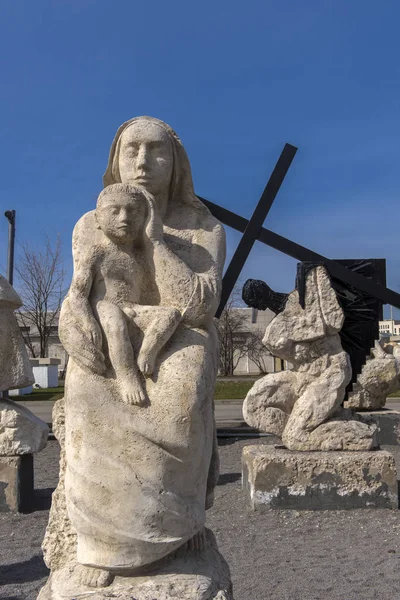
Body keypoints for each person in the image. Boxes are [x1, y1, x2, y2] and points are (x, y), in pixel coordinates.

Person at [57, 116, 226, 588]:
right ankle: (102, 544)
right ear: (115, 158)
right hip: (112, 334)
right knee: (88, 392)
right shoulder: (92, 222)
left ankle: (180, 527)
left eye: (156, 151)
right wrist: (80, 334)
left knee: (182, 398)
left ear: (176, 164)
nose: (141, 162)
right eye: (131, 149)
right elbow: (80, 292)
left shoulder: (202, 227)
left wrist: (154, 241)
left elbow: (198, 307)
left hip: (181, 333)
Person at [68, 183, 181, 406]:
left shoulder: (140, 255)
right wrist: (88, 321)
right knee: (115, 322)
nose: (125, 218)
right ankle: (127, 377)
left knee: (171, 315)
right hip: (105, 307)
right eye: (115, 211)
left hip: (132, 308)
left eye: (133, 211)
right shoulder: (96, 253)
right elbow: (77, 294)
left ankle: (147, 354)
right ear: (98, 220)